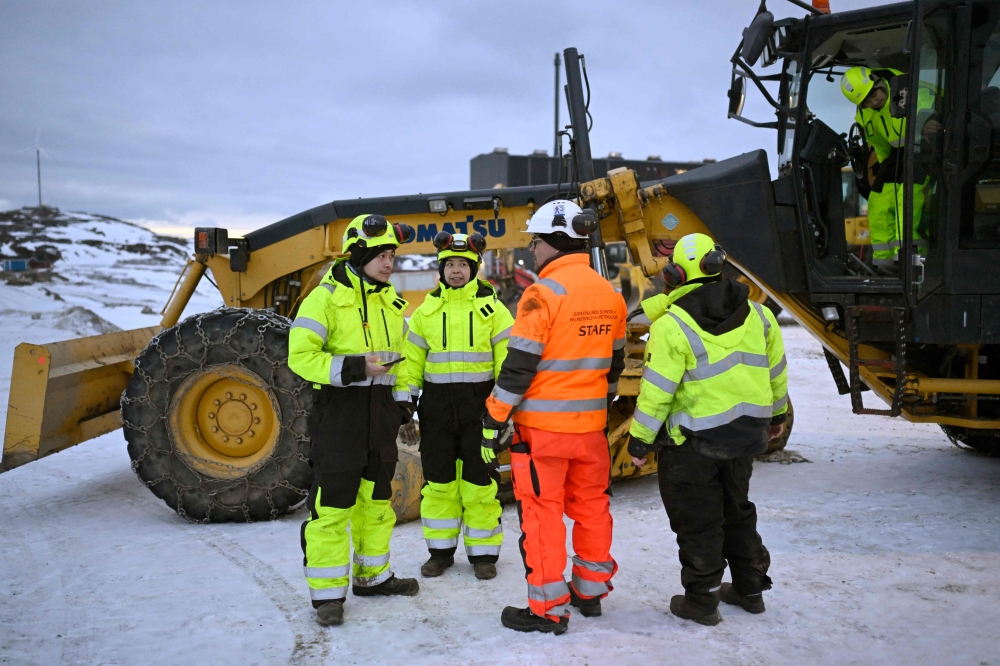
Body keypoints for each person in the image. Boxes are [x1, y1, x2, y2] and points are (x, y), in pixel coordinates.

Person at [482, 199, 628, 635]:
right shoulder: (610, 293)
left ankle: (547, 609)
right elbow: (614, 368)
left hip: (543, 435)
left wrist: (493, 418)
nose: (531, 250)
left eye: (535, 242)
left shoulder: (541, 294)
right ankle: (590, 592)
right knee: (592, 508)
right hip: (591, 432)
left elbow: (518, 368)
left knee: (542, 516)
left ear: (553, 243)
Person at [627, 232, 788, 626]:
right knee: (737, 511)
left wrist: (640, 440)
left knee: (698, 522)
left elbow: (656, 393)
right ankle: (750, 590)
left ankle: (701, 601)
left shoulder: (671, 326)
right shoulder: (760, 315)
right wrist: (778, 417)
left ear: (674, 274)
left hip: (692, 445)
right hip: (744, 436)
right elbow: (777, 372)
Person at [288, 214, 419, 627]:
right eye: (381, 255)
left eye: (392, 255)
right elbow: (301, 358)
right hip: (339, 415)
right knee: (333, 507)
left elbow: (402, 363)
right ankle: (328, 596)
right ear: (358, 253)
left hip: (380, 417)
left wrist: (403, 408)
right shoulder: (323, 299)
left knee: (377, 504)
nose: (388, 263)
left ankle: (373, 576)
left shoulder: (392, 303)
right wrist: (356, 368)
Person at [405, 232, 515, 580]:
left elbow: (508, 363)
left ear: (473, 268)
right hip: (436, 410)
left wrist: (504, 411)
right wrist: (405, 403)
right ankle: (440, 553)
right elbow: (411, 362)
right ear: (441, 268)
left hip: (480, 411)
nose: (456, 271)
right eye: (450, 264)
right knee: (438, 483)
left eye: (462, 265)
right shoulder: (425, 312)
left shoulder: (493, 310)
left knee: (480, 483)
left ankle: (484, 556)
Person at [841, 65, 935, 274]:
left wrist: (928, 124)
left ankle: (912, 259)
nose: (873, 102)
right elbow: (880, 145)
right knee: (878, 201)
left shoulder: (910, 89)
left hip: (926, 149)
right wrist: (885, 170)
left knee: (907, 199)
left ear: (877, 80)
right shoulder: (865, 114)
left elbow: (932, 113)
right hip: (896, 156)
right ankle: (884, 264)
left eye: (873, 94)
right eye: (866, 101)